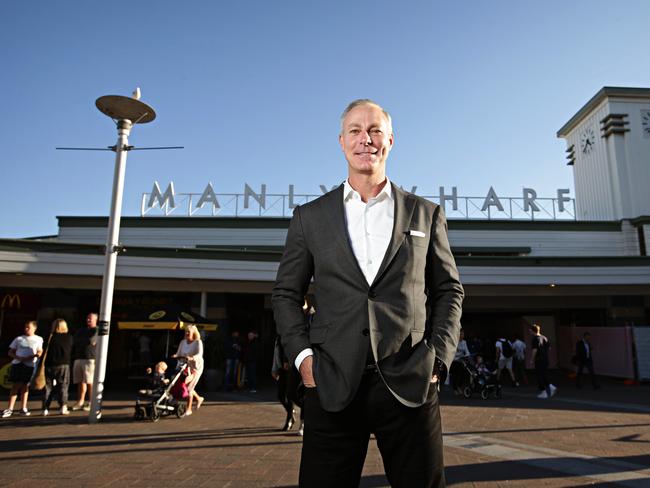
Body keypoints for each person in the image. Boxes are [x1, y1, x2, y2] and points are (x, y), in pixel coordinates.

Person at [272, 99, 464, 487]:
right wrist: (304, 360)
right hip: (331, 382)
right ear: (342, 141)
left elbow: (448, 289)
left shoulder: (425, 214)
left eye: (375, 130)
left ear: (390, 140)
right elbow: (285, 295)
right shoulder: (309, 217)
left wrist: (438, 358)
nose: (366, 139)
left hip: (410, 380)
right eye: (356, 130)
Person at [2, 320, 44, 418]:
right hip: (18, 364)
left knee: (25, 386)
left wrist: (34, 356)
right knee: (15, 385)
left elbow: (40, 351)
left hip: (29, 365)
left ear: (34, 328)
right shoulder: (19, 339)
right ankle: (10, 408)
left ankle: (23, 408)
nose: (26, 329)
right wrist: (18, 357)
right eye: (25, 327)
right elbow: (10, 352)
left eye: (28, 327)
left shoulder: (38, 339)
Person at [43, 318, 73, 416]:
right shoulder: (68, 337)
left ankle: (45, 408)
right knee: (63, 386)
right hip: (63, 365)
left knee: (48, 387)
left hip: (49, 365)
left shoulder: (49, 337)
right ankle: (63, 407)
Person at [172, 324, 204, 415]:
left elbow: (199, 354)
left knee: (190, 387)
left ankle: (189, 409)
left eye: (188, 332)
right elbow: (178, 353)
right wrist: (176, 355)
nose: (186, 333)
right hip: (185, 366)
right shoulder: (183, 342)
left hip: (196, 367)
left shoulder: (198, 342)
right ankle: (199, 398)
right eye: (185, 331)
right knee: (183, 384)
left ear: (193, 333)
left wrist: (192, 357)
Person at [272, 336, 301, 431]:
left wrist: (287, 361)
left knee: (290, 394)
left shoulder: (290, 331)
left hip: (291, 368)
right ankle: (291, 413)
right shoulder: (279, 336)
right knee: (280, 395)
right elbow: (277, 352)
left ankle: (290, 418)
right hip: (281, 369)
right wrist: (274, 368)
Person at [71, 312, 98, 411]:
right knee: (80, 381)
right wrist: (85, 341)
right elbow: (74, 340)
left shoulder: (97, 330)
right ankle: (80, 401)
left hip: (89, 358)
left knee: (89, 381)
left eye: (91, 318)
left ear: (96, 320)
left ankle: (91, 402)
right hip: (78, 357)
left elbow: (92, 340)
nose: (88, 320)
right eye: (87, 318)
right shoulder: (81, 330)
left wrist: (83, 341)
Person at [530, 324, 556, 399]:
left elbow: (535, 350)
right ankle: (551, 387)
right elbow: (549, 348)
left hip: (539, 359)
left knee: (539, 376)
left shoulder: (535, 339)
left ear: (532, 330)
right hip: (545, 359)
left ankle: (544, 392)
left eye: (530, 330)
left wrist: (532, 359)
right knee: (544, 374)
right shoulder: (544, 337)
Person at [450, 329, 471, 395]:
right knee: (455, 375)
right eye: (461, 334)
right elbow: (452, 353)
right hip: (454, 361)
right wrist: (458, 357)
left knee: (464, 374)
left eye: (463, 334)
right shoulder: (454, 342)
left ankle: (459, 386)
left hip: (461, 361)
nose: (462, 336)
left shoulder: (464, 342)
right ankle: (455, 389)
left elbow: (467, 352)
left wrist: (466, 356)